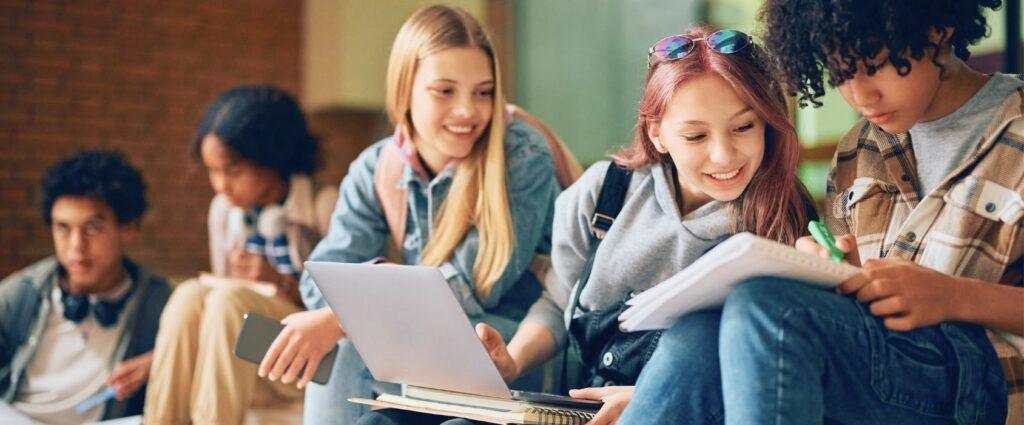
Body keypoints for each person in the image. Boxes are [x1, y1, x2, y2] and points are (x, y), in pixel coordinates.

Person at [361, 26, 817, 424]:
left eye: (744, 128)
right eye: (695, 136)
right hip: (578, 407)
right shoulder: (605, 194)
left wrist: (653, 400)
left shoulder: (785, 218)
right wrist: (511, 362)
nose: (723, 155)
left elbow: (773, 372)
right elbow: (558, 302)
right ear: (656, 133)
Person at [625, 1, 1022, 423]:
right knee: (700, 332)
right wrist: (837, 275)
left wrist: (951, 296)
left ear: (938, 28)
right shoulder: (858, 150)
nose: (860, 94)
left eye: (875, 63)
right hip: (880, 368)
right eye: (841, 73)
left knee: (774, 311)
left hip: (984, 384)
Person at [253, 5, 572, 425]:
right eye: (445, 91)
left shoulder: (521, 154)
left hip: (512, 344)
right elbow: (323, 281)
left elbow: (477, 285)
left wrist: (347, 313)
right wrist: (352, 308)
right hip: (430, 337)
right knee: (343, 337)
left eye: (484, 91)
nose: (468, 111)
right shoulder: (377, 167)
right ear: (405, 90)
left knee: (347, 335)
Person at [143, 85, 338, 425]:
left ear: (273, 158)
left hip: (311, 356)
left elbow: (342, 315)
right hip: (246, 354)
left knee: (229, 300)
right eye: (212, 171)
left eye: (233, 172)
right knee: (190, 294)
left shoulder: (324, 206)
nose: (220, 185)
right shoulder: (223, 211)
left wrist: (279, 282)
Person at [0, 150, 170, 424]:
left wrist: (161, 359)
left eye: (91, 228)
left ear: (128, 228)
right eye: (63, 228)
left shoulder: (158, 302)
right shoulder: (22, 293)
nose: (76, 246)